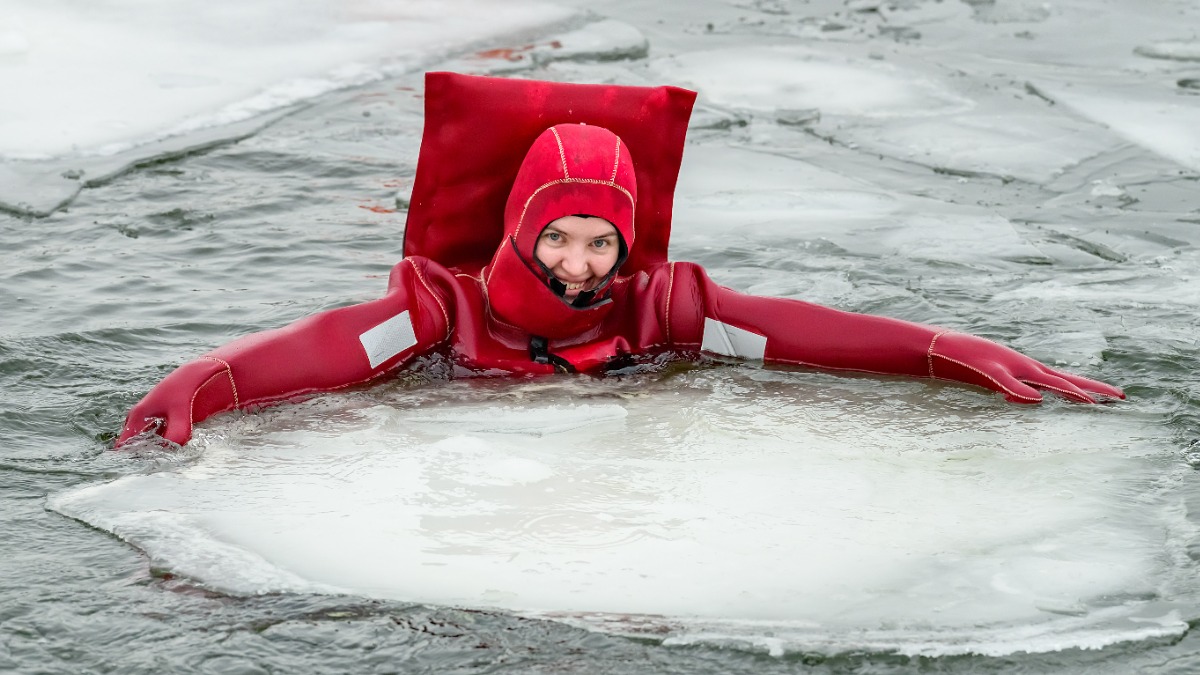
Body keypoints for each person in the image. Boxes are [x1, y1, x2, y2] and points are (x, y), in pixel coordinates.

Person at [115, 72, 1123, 448]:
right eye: (557, 235)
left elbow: (813, 334)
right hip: (456, 473)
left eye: (603, 240)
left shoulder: (660, 310)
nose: (581, 263)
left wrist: (952, 348)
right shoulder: (442, 311)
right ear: (517, 225)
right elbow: (331, 349)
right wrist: (214, 378)